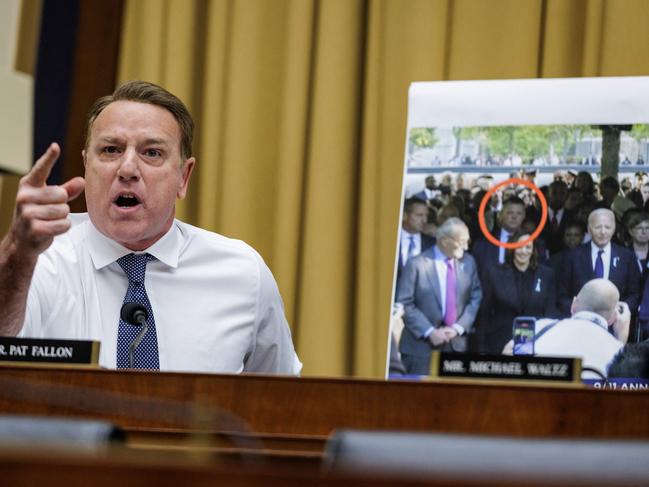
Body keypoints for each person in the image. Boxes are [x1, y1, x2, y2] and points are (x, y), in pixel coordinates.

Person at [0, 81, 301, 374]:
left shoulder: (242, 274)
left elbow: (281, 404)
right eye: (111, 150)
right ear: (86, 165)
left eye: (152, 153)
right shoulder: (39, 261)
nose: (127, 169)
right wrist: (18, 249)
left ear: (183, 177)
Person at [397, 218, 482, 375]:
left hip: (455, 347)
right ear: (444, 241)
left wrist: (458, 328)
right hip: (419, 349)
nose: (466, 246)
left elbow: (475, 297)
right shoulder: (416, 264)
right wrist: (429, 331)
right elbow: (405, 303)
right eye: (461, 241)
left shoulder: (469, 263)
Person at [474, 231, 559, 354]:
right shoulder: (494, 273)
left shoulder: (546, 275)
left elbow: (550, 314)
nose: (523, 251)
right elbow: (484, 314)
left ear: (533, 249)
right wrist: (482, 350)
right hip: (500, 344)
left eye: (528, 247)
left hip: (537, 344)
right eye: (519, 246)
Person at [532, 279, 630, 379]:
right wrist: (621, 338)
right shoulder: (617, 350)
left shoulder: (538, 327)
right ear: (614, 318)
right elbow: (619, 383)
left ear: (573, 306)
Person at [557, 209, 640, 318]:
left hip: (615, 322)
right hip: (580, 322)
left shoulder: (627, 257)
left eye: (607, 227)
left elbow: (635, 293)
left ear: (614, 228)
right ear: (589, 229)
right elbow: (562, 294)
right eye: (598, 227)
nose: (603, 232)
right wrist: (578, 311)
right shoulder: (572, 257)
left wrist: (618, 311)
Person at [397, 197, 436, 281]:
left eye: (426, 215)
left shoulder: (432, 244)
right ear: (404, 215)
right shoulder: (389, 240)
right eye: (419, 215)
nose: (424, 220)